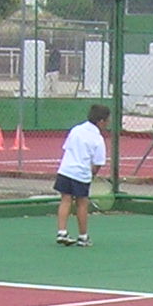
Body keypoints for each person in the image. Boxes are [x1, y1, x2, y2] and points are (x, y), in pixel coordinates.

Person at [54, 102, 108, 246]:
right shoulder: (98, 139)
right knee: (82, 204)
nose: (107, 124)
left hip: (65, 171)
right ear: (101, 121)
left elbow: (67, 148)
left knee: (65, 200)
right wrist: (92, 174)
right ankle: (83, 237)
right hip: (81, 175)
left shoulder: (76, 130)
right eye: (107, 121)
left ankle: (62, 232)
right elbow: (98, 163)